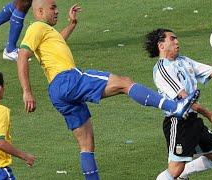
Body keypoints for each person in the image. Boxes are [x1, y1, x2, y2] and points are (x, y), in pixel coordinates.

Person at [17, 1, 200, 179]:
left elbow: (57, 42)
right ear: (40, 12)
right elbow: (22, 56)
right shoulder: (36, 28)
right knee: (125, 83)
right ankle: (174, 107)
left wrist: (72, 24)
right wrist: (27, 91)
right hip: (68, 79)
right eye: (53, 7)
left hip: (57, 92)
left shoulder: (46, 31)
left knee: (86, 145)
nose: (57, 10)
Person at [143, 28, 212, 180]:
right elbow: (185, 99)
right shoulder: (163, 70)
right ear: (161, 46)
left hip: (193, 121)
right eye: (172, 39)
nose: (177, 42)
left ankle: (183, 175)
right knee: (174, 170)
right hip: (178, 122)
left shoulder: (184, 61)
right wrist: (209, 114)